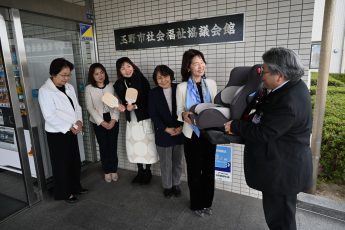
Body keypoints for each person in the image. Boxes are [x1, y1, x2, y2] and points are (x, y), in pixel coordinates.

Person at [224, 47, 313, 230]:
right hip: (282, 167)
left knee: (281, 221)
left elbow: (264, 132)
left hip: (282, 172)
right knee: (280, 217)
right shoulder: (292, 86)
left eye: (264, 72)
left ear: (279, 75)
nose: (261, 76)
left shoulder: (288, 101)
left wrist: (235, 125)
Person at [38, 58, 88, 203]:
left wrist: (79, 121)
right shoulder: (45, 91)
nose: (66, 78)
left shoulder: (69, 87)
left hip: (72, 129)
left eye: (68, 75)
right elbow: (49, 116)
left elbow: (76, 107)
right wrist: (69, 127)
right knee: (61, 164)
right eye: (63, 75)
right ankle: (64, 193)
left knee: (74, 161)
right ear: (53, 74)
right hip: (57, 133)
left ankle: (75, 187)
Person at [176, 49, 217, 217]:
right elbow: (178, 111)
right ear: (188, 67)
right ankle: (196, 204)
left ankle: (207, 203)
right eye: (195, 63)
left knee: (209, 170)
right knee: (194, 171)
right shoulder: (182, 87)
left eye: (202, 62)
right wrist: (184, 115)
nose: (200, 66)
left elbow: (217, 108)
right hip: (191, 134)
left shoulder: (212, 84)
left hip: (210, 134)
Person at [114, 57, 158, 184]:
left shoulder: (141, 80)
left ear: (133, 66)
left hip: (144, 118)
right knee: (135, 145)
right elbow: (121, 101)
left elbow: (148, 100)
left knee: (147, 144)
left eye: (128, 66)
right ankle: (140, 171)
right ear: (119, 71)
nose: (126, 70)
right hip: (131, 120)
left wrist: (135, 106)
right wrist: (121, 106)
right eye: (122, 68)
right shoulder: (119, 84)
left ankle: (148, 171)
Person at [148, 65, 184, 198]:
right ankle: (167, 186)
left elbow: (185, 108)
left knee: (177, 162)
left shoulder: (179, 88)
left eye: (166, 76)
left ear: (171, 76)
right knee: (165, 163)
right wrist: (166, 129)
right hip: (163, 133)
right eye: (159, 78)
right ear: (156, 80)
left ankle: (176, 184)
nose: (163, 80)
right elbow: (153, 114)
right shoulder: (153, 93)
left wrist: (181, 127)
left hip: (179, 132)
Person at [85, 63, 120, 183]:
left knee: (113, 145)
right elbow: (90, 107)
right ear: (92, 76)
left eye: (102, 72)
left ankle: (114, 170)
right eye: (96, 74)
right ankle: (107, 171)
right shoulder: (89, 88)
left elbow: (117, 104)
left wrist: (114, 119)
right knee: (103, 146)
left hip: (112, 118)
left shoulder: (111, 86)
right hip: (97, 120)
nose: (100, 76)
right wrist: (101, 122)